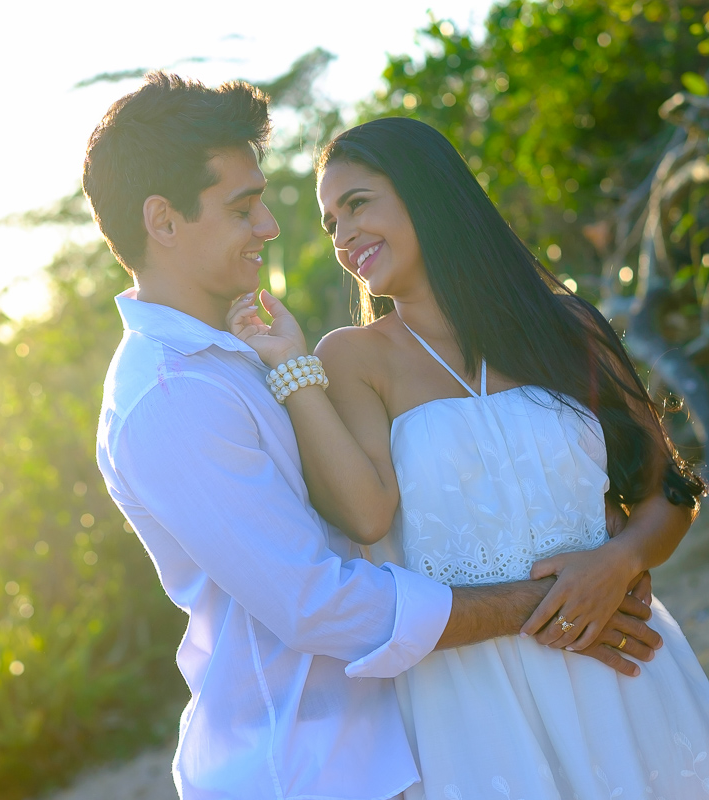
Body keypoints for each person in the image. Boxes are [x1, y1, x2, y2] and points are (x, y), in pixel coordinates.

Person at [86, 73, 660, 800]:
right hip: (305, 769)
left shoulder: (246, 354)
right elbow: (318, 601)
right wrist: (551, 602)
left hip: (418, 737)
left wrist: (603, 547)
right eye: (242, 206)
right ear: (163, 222)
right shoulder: (168, 402)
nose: (269, 225)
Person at [229, 115, 709, 799]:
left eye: (358, 204)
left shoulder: (564, 325)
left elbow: (671, 493)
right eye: (331, 222)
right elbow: (366, 518)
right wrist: (289, 365)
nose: (343, 237)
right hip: (476, 703)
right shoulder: (354, 358)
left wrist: (620, 560)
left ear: (427, 190)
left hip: (623, 672)